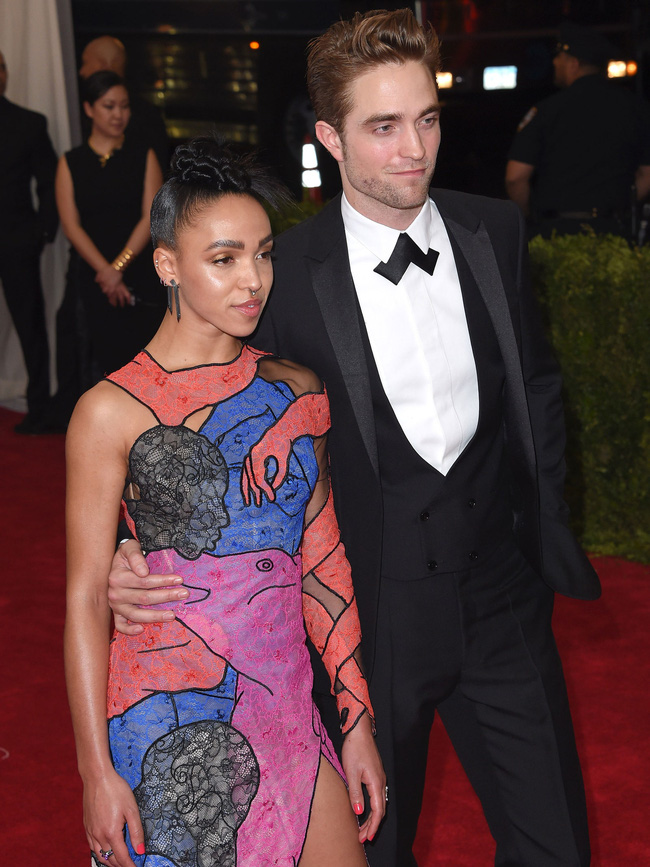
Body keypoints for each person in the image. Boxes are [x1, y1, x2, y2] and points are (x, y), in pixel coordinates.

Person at [107, 9, 601, 866]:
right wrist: (137, 542)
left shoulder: (494, 231)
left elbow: (538, 385)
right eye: (383, 127)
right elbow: (201, 409)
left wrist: (542, 518)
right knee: (378, 849)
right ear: (331, 137)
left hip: (502, 597)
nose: (414, 149)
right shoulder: (283, 275)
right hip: (369, 622)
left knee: (557, 846)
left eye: (428, 119)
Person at [64, 136, 385, 867]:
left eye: (263, 254)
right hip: (171, 728)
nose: (253, 280)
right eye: (225, 259)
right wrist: (95, 773)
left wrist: (356, 722)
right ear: (167, 265)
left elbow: (322, 562)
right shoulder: (109, 411)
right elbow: (84, 599)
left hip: (290, 715)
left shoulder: (295, 391)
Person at [55, 70, 164, 394]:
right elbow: (71, 226)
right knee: (95, 360)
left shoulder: (143, 155)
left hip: (138, 270)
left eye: (124, 106)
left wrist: (118, 267)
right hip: (93, 276)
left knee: (142, 357)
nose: (118, 114)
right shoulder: (71, 162)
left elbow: (150, 215)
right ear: (89, 108)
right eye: (109, 106)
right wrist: (105, 272)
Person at [506, 22, 650, 238]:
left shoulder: (547, 110)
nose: (554, 62)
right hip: (615, 235)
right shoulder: (637, 108)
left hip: (556, 236)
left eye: (559, 57)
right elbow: (647, 174)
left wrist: (527, 220)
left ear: (573, 64)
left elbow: (515, 177)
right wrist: (619, 208)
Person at [0, 50, 58, 434]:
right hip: (19, 239)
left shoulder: (29, 123)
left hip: (16, 240)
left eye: (2, 67)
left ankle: (39, 407)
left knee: (30, 325)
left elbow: (50, 183)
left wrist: (41, 233)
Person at [79, 35, 170, 172]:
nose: (81, 71)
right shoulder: (74, 160)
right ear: (89, 109)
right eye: (109, 106)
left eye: (85, 63)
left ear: (104, 65)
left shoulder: (145, 119)